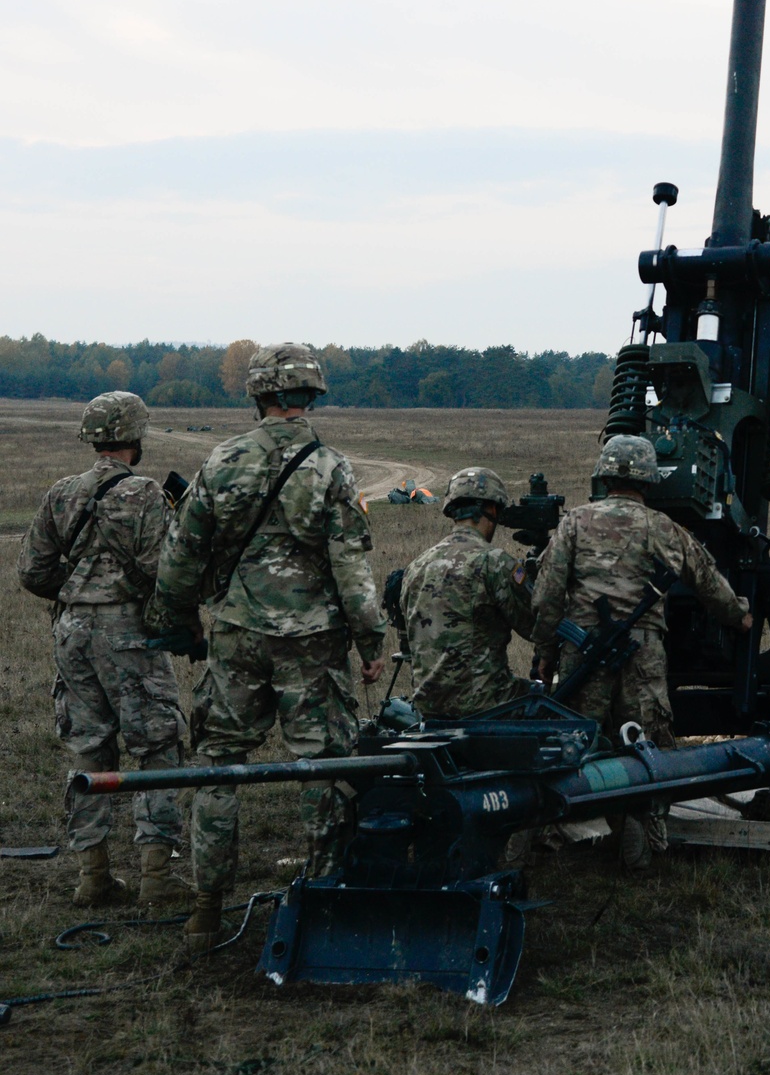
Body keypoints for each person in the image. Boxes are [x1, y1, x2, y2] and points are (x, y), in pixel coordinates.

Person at [144, 343, 386, 950]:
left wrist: (178, 620)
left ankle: (206, 909)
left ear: (258, 396)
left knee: (219, 765)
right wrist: (370, 640)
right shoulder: (330, 467)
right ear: (310, 395)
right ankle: (325, 901)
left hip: (237, 633)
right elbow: (350, 563)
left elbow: (181, 553)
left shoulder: (222, 460)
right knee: (323, 767)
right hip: (312, 642)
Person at [531, 434, 751, 867]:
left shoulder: (574, 522)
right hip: (643, 656)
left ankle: (557, 842)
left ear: (605, 474)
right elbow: (708, 581)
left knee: (574, 745)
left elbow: (547, 597)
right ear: (649, 480)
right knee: (648, 749)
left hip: (583, 653)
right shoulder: (666, 528)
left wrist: (545, 652)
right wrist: (740, 615)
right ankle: (640, 849)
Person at [17, 391, 191, 909]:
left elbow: (32, 572)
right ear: (136, 437)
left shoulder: (61, 493)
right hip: (128, 633)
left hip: (71, 633)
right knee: (156, 743)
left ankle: (92, 875)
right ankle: (156, 875)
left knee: (89, 746)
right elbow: (166, 573)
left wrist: (78, 596)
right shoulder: (144, 494)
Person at [401, 467, 533, 718]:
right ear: (493, 510)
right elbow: (537, 627)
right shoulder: (494, 562)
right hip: (486, 704)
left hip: (428, 707)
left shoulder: (416, 566)